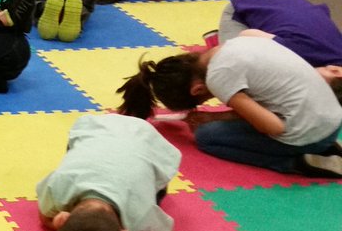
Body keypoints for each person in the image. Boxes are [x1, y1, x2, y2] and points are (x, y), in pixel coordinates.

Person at [117, 36, 342, 176]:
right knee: (214, 126)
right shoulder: (233, 45)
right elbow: (263, 104)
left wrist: (211, 122)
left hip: (308, 131)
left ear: (197, 90)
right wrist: (215, 116)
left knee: (207, 137)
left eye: (202, 101)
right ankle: (326, 148)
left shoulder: (218, 77)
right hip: (331, 120)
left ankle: (295, 162)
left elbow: (274, 127)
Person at [36, 114, 179, 231]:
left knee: (156, 193)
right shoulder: (58, 184)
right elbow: (44, 217)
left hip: (146, 139)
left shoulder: (141, 212)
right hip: (97, 127)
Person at [214, 0, 342, 68]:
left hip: (287, 0)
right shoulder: (299, 49)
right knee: (233, 62)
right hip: (241, 10)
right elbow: (247, 34)